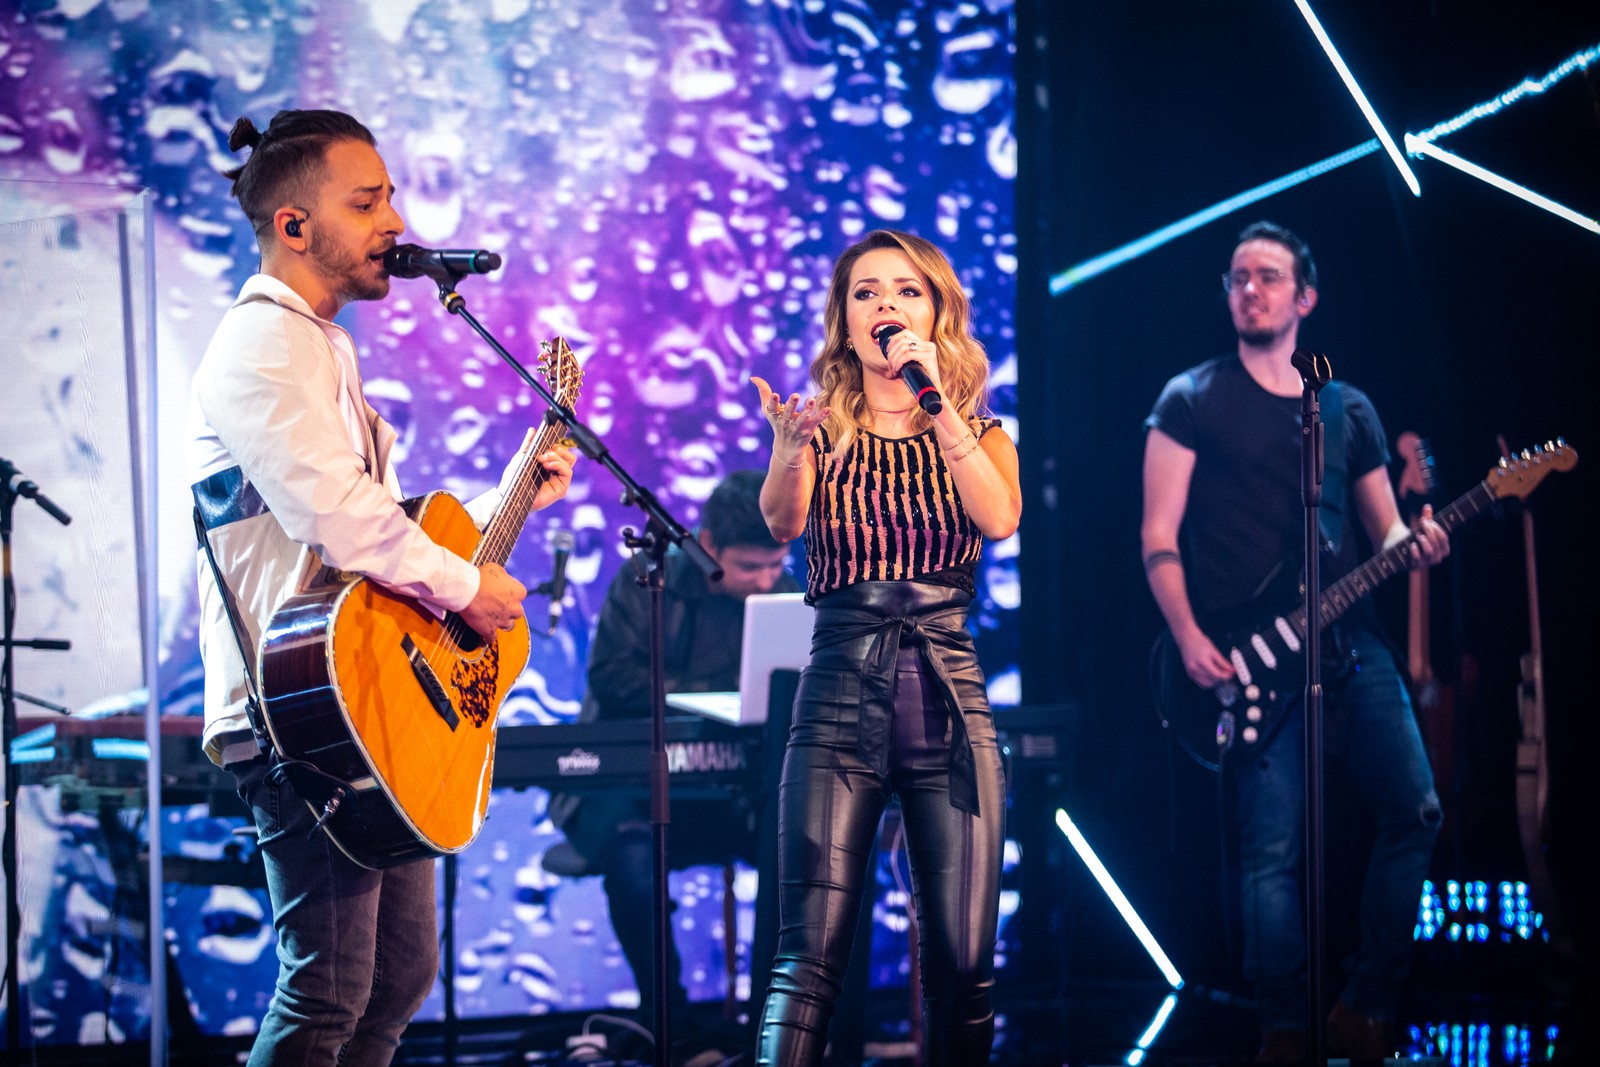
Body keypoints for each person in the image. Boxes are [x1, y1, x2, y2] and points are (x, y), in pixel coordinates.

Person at [187, 108, 575, 1067]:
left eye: (392, 196)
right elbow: (338, 517)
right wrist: (468, 587)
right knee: (327, 988)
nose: (394, 221)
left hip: (357, 702)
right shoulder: (260, 344)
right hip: (296, 713)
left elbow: (379, 524)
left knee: (395, 978)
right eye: (368, 202)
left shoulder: (323, 345)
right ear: (294, 227)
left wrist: (513, 486)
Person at [1141, 220, 1447, 1062]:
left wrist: (1417, 544)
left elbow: (1384, 535)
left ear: (1304, 296)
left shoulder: (1345, 408)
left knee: (1417, 810)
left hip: (1351, 639)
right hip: (1245, 658)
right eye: (1238, 277)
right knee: (1270, 848)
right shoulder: (1191, 398)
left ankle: (1368, 996)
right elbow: (1157, 535)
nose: (1251, 289)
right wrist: (1189, 634)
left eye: (1269, 276)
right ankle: (1283, 1024)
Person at [748, 228, 1021, 1066]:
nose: (886, 307)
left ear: (936, 311)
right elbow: (782, 522)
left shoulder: (978, 428)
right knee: (808, 959)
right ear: (844, 317)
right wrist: (791, 452)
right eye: (866, 292)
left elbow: (1000, 517)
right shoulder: (821, 427)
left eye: (905, 291)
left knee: (964, 964)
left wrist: (935, 405)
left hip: (947, 689)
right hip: (838, 686)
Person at [548, 468, 798, 1053]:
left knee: (803, 850)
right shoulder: (645, 581)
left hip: (735, 788)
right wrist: (711, 694)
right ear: (708, 545)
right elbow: (612, 680)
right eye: (749, 568)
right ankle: (672, 1029)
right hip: (636, 785)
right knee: (633, 860)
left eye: (774, 566)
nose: (766, 582)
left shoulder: (787, 592)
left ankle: (780, 1030)